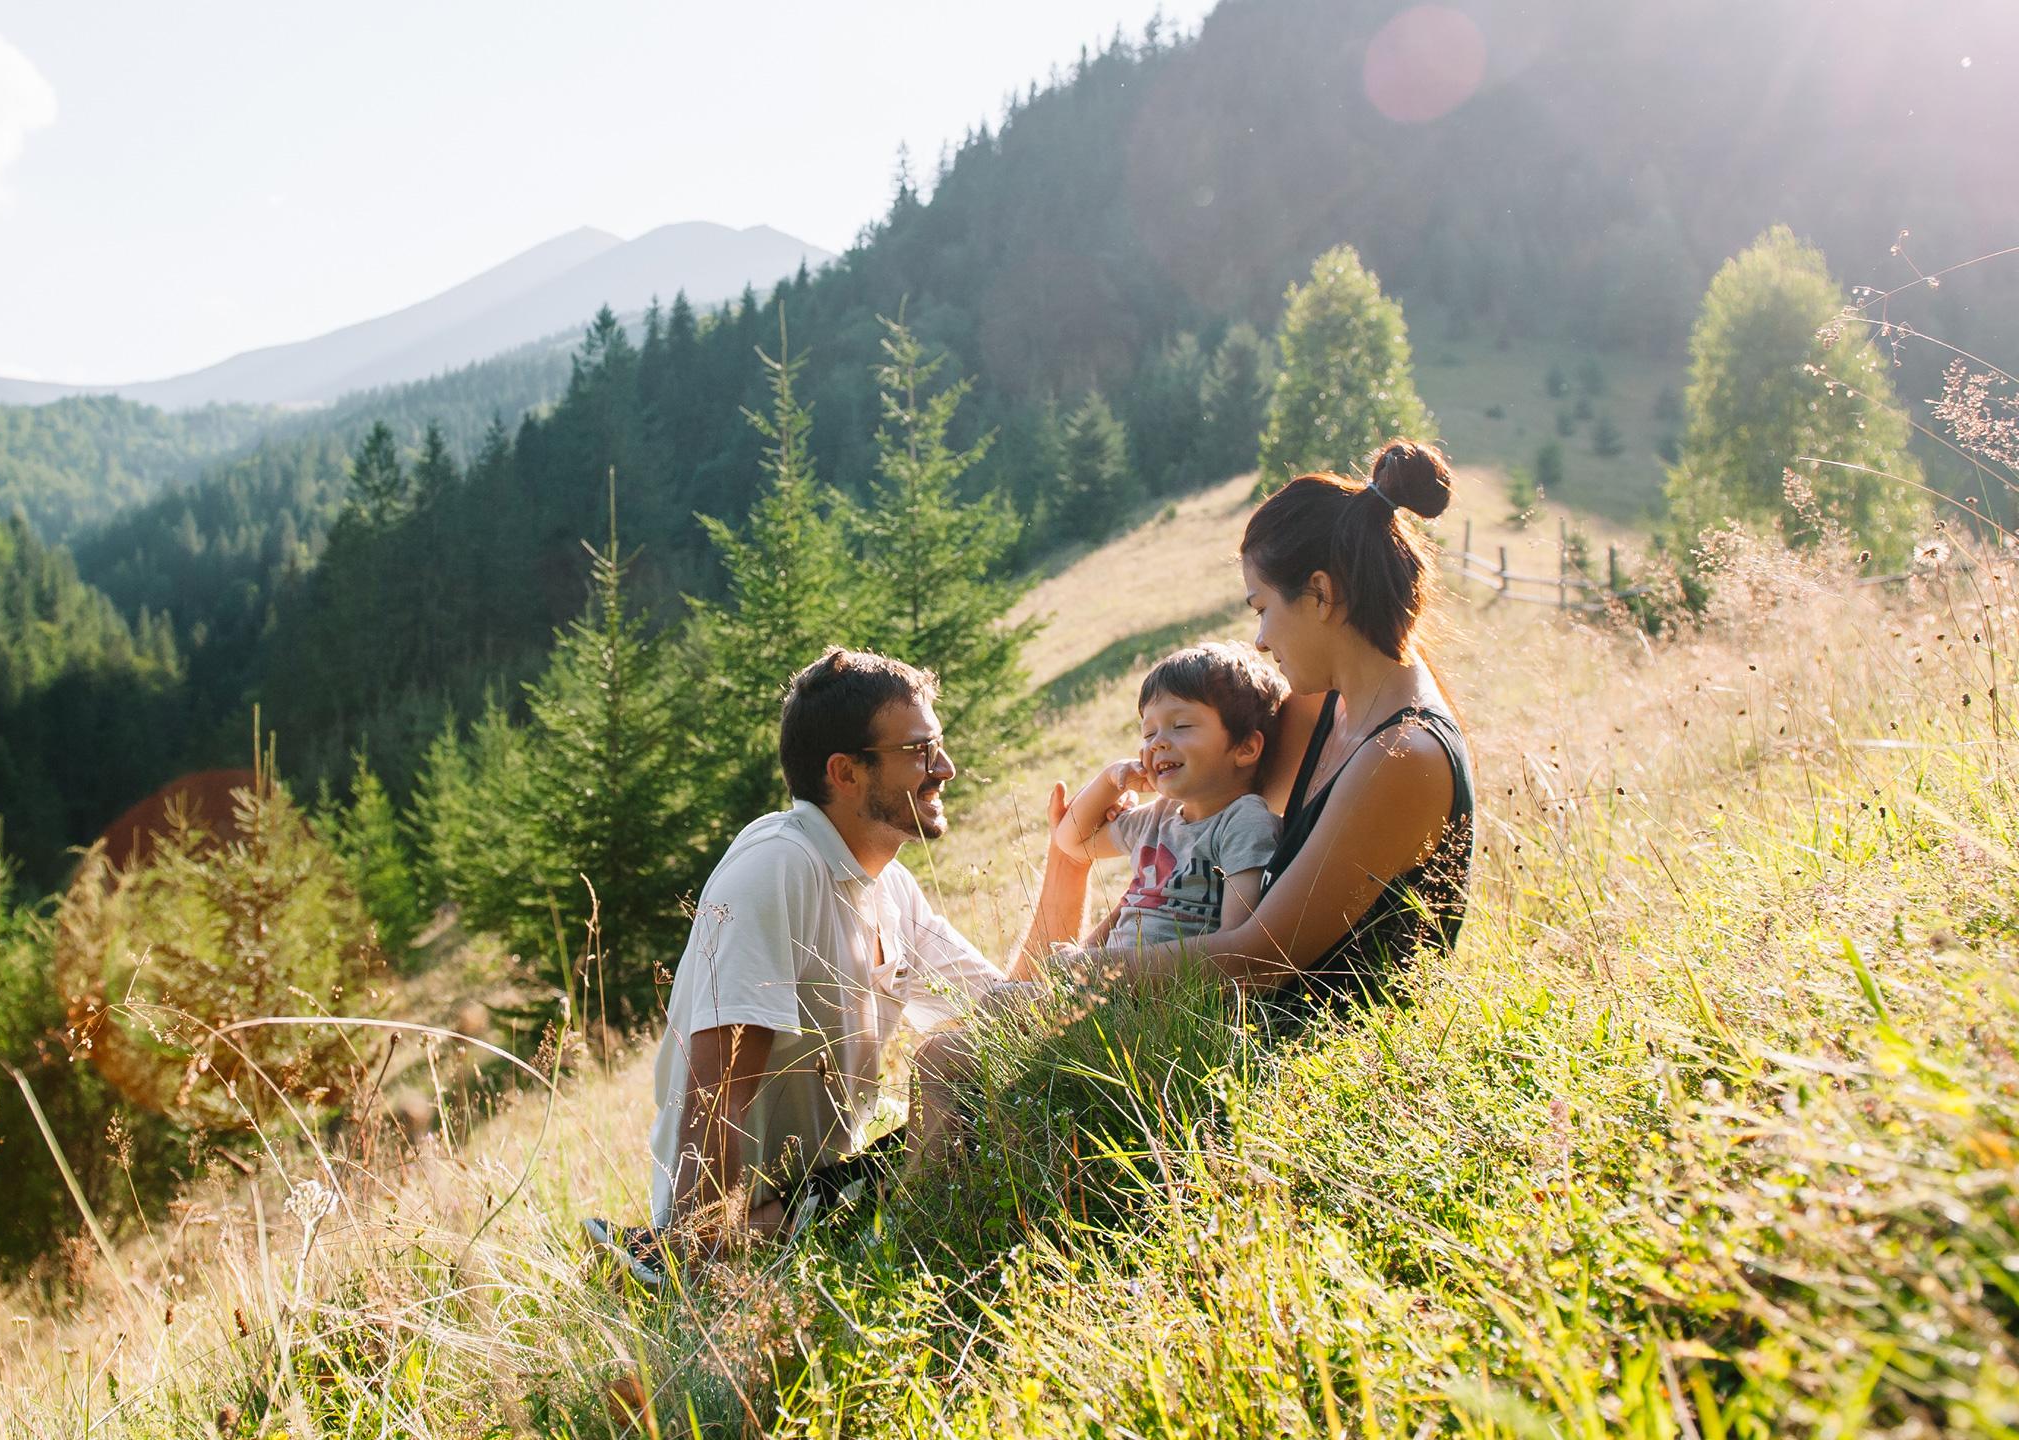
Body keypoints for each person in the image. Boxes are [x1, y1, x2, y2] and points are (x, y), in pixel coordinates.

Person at [583, 648, 1038, 1285]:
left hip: (820, 1208)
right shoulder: (778, 868)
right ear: (845, 773)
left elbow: (1012, 1015)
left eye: (937, 744)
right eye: (918, 750)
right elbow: (716, 1091)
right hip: (743, 1233)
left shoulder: (891, 887)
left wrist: (1071, 857)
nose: (945, 768)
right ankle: (664, 1256)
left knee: (976, 1104)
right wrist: (698, 1261)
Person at [1033, 438, 1476, 1011]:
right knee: (953, 1050)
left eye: (1263, 608)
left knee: (947, 1061)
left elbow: (1259, 961)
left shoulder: (1403, 755)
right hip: (1210, 1012)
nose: (1261, 640)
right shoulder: (1320, 709)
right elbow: (1186, 846)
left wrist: (1090, 971)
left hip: (1301, 1053)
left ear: (1320, 593)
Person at [1051, 642, 1290, 951]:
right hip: (1110, 981)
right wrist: (1111, 780)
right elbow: (1072, 841)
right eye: (1148, 733)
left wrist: (1108, 967)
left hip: (1166, 985)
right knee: (997, 997)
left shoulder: (1243, 822)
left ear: (1245, 748)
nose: (1158, 743)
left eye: (1181, 725)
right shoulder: (1158, 817)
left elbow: (1235, 943)